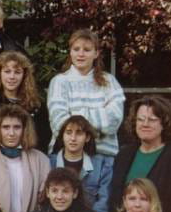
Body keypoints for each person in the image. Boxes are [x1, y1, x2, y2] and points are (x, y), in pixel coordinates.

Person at [47, 29, 125, 159]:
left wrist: (76, 115)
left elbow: (113, 121)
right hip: (67, 157)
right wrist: (98, 120)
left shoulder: (109, 81)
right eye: (76, 49)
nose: (81, 54)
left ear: (96, 53)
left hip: (103, 156)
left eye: (87, 50)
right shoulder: (59, 81)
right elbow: (59, 124)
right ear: (70, 52)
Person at [0, 51, 50, 153]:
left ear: (24, 75)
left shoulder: (35, 105)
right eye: (7, 71)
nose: (12, 77)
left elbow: (43, 139)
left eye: (17, 72)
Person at [49, 115, 112, 212]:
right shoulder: (49, 162)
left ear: (87, 137)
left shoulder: (102, 164)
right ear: (62, 136)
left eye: (79, 133)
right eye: (68, 132)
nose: (73, 138)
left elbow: (103, 202)